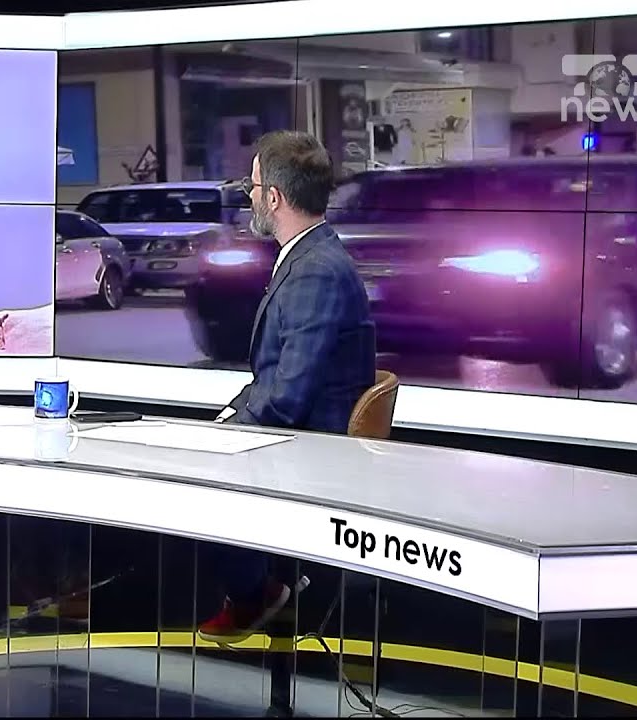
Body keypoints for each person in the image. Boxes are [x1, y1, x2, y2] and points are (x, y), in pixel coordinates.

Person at [198, 130, 376, 645]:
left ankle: (256, 592)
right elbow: (271, 377)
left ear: (273, 198)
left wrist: (221, 441)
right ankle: (260, 585)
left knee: (199, 479)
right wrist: (224, 419)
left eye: (252, 187)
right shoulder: (310, 255)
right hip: (305, 431)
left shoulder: (315, 271)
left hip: (315, 446)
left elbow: (287, 397)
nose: (249, 196)